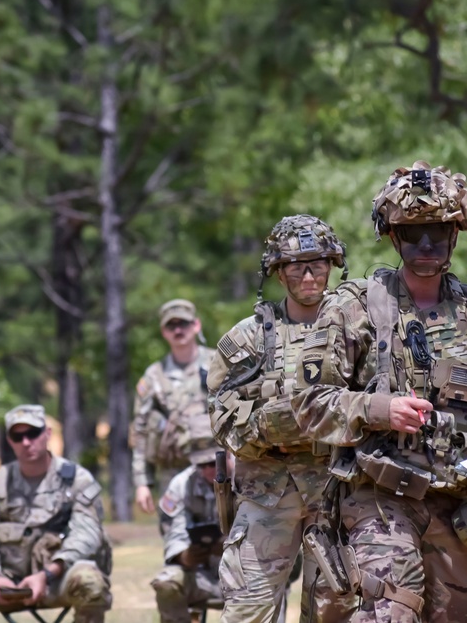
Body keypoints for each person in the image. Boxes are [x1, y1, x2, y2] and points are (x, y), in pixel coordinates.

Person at [291, 161, 467, 622]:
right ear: (393, 238)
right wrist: (378, 409)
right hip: (383, 498)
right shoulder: (357, 307)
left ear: (455, 234)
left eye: (437, 232)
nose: (425, 246)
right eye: (413, 235)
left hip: (465, 505)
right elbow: (308, 404)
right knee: (390, 613)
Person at [208, 214, 354, 623]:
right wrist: (266, 427)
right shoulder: (249, 338)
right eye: (296, 265)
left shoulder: (356, 329)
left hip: (336, 493)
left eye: (318, 263)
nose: (309, 275)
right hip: (267, 494)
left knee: (335, 609)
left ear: (333, 265)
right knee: (247, 610)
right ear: (277, 272)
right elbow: (220, 417)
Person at [0, 404, 113, 623]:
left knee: (91, 583)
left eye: (33, 433)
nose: (26, 442)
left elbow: (87, 536)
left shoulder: (78, 481)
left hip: (58, 579)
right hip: (7, 583)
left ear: (47, 434)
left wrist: (46, 575)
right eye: (17, 436)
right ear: (10, 441)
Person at [132, 299, 215, 529]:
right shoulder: (153, 377)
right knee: (176, 535)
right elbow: (140, 431)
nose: (178, 330)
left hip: (217, 466)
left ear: (196, 325)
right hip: (174, 469)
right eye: (172, 326)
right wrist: (142, 483)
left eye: (184, 324)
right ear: (163, 332)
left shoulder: (218, 363)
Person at [150, 418, 225, 623]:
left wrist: (228, 548)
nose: (209, 469)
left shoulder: (250, 479)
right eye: (202, 464)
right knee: (167, 583)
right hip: (200, 575)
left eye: (214, 462)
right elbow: (174, 530)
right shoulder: (182, 484)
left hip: (244, 577)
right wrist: (184, 556)